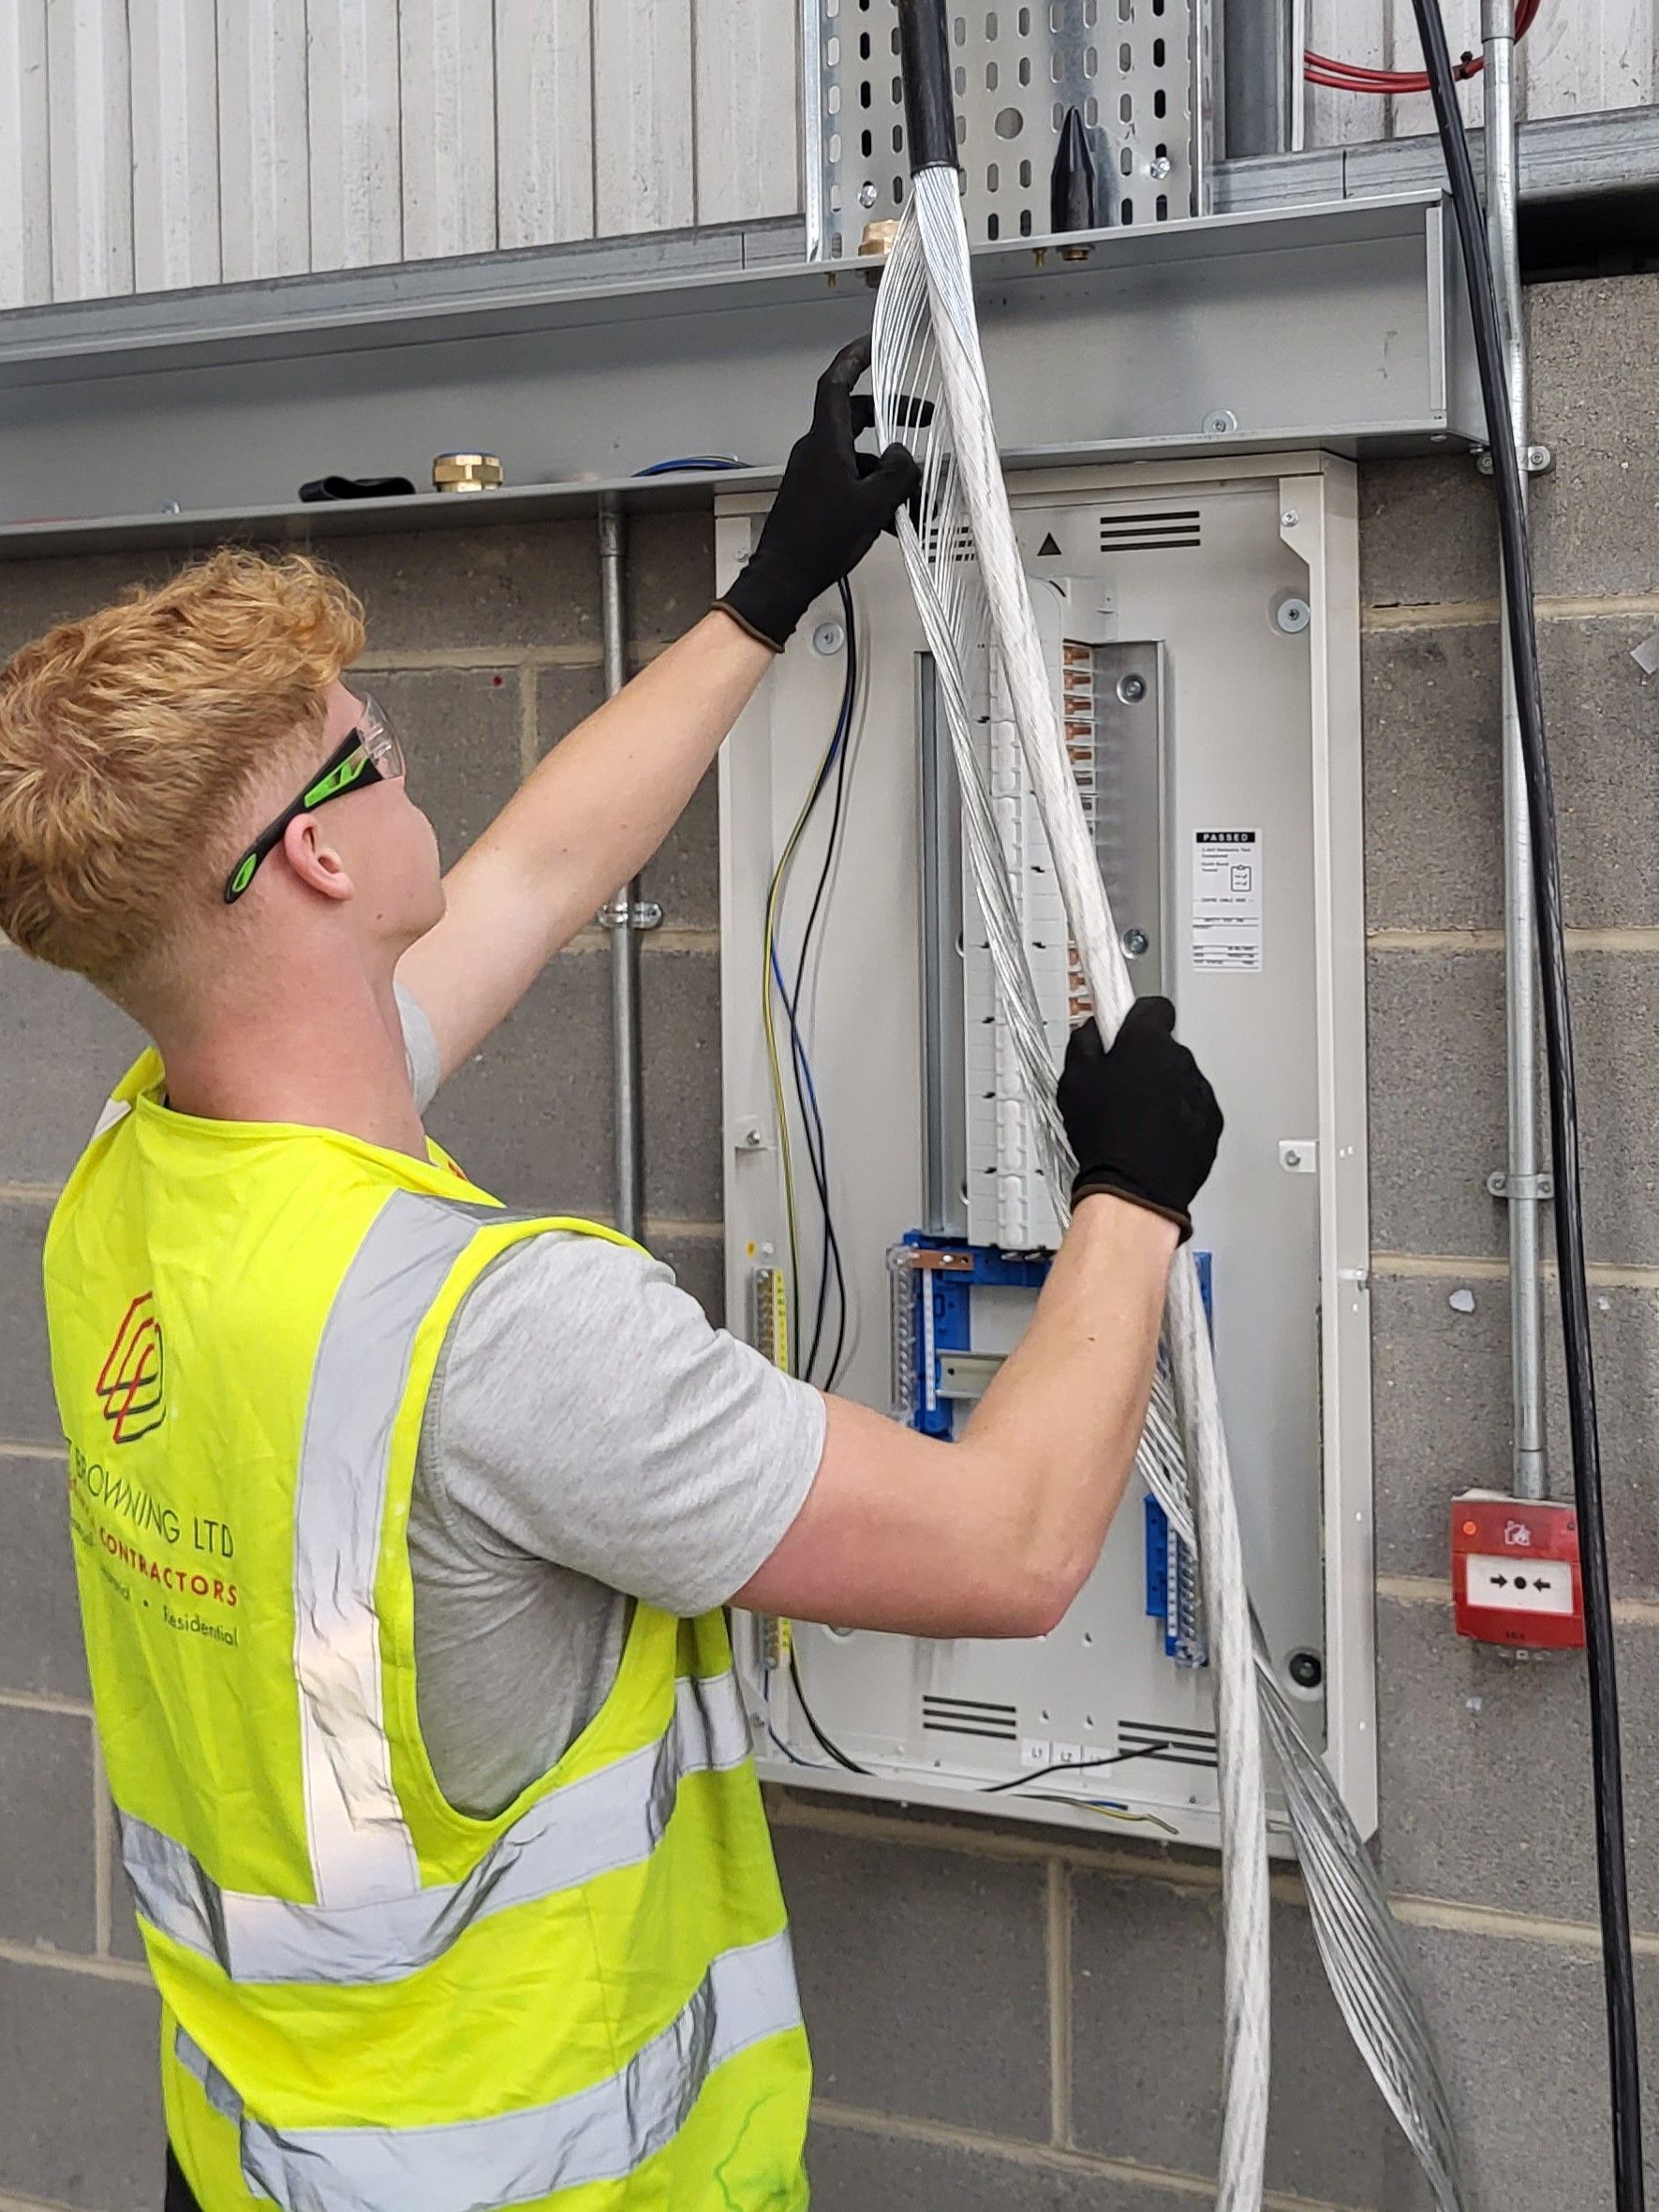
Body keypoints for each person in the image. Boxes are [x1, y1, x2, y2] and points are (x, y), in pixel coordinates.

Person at [0, 338, 1221, 2212]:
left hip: (260, 2154)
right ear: (317, 853)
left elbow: (524, 881)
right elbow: (1010, 1543)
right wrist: (1132, 1196)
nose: (415, 762)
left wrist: (768, 590)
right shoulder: (504, 1337)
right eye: (377, 743)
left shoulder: (149, 1177)